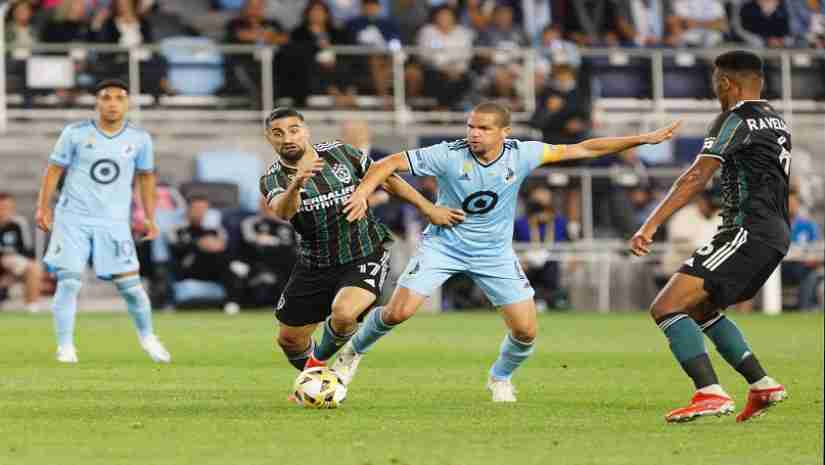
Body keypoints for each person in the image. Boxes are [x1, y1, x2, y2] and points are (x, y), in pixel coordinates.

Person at [338, 101, 679, 402]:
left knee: (526, 331)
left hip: (494, 253)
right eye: (471, 126)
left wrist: (642, 139)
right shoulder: (449, 154)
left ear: (505, 132)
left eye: (484, 128)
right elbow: (387, 163)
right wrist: (364, 193)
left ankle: (500, 378)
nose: (474, 134)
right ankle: (352, 353)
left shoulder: (523, 153)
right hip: (444, 245)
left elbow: (585, 149)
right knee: (398, 312)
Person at [629, 51, 790, 423]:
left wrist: (650, 224)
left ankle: (710, 393)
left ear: (726, 83)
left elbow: (696, 176)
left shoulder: (735, 119)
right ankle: (762, 384)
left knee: (666, 307)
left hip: (747, 232)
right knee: (701, 309)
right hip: (772, 233)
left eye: (716, 83)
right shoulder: (777, 120)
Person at [258, 108, 464, 391]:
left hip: (364, 252)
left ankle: (335, 363)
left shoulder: (340, 153)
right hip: (315, 263)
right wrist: (297, 184)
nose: (287, 138)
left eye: (294, 130)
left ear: (306, 131)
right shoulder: (272, 177)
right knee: (289, 340)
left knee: (344, 314)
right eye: (278, 133)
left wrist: (428, 208)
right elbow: (284, 211)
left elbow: (387, 178)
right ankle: (319, 382)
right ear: (268, 138)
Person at [36, 79, 171, 364]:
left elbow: (146, 178)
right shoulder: (75, 133)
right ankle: (65, 346)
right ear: (97, 102)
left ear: (127, 103)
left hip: (114, 222)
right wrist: (42, 208)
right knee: (69, 282)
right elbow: (54, 170)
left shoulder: (139, 139)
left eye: (119, 98)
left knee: (132, 288)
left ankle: (148, 338)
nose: (112, 104)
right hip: (73, 218)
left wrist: (150, 217)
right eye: (106, 97)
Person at [166, 195, 245, 314]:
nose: (200, 212)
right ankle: (234, 273)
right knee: (225, 262)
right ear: (188, 210)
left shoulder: (214, 231)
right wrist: (198, 244)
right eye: (196, 209)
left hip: (213, 269)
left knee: (224, 263)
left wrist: (213, 245)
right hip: (188, 267)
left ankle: (232, 302)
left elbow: (223, 246)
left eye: (203, 209)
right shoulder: (177, 229)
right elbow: (176, 247)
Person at [0, 192, 43, 312]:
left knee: (34, 268)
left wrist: (11, 271)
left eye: (7, 207)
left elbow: (29, 251)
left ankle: (32, 308)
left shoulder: (18, 224)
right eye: (1, 208)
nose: (4, 211)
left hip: (14, 264)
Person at [782, 190, 823, 310]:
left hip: (801, 267)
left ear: (798, 205)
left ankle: (804, 310)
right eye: (788, 203)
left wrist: (814, 260)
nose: (791, 206)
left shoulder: (809, 226)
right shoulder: (776, 225)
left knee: (810, 274)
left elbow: (817, 250)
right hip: (780, 268)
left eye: (794, 203)